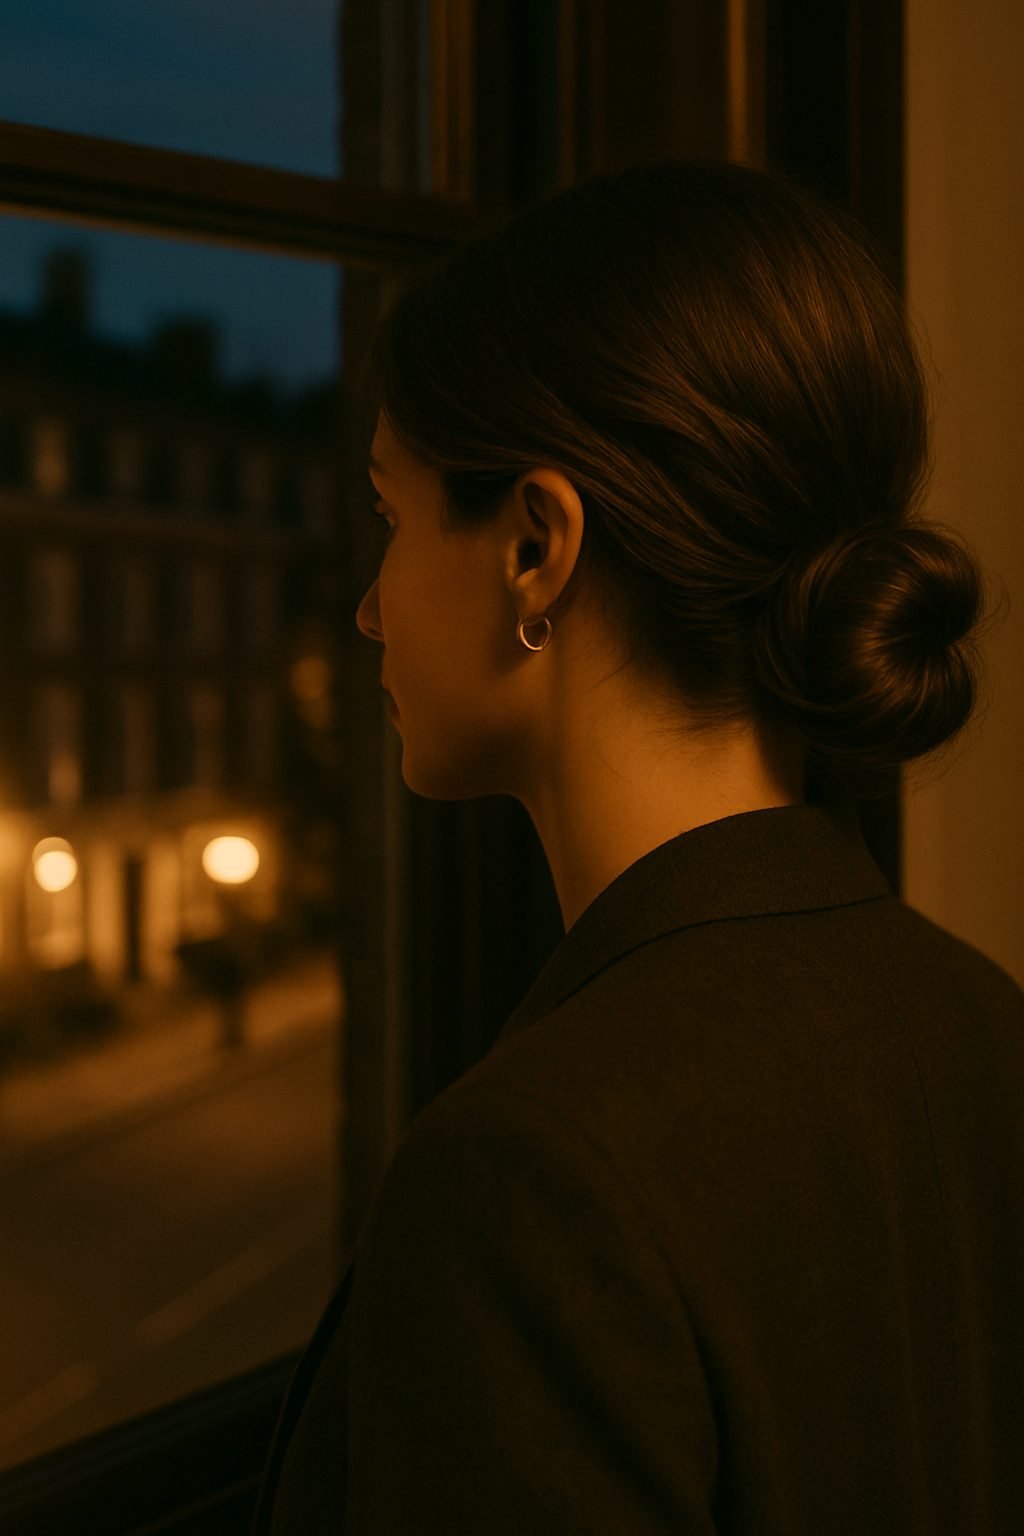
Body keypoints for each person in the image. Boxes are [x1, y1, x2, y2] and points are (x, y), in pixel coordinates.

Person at [253, 156, 1022, 1533]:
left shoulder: (532, 1176)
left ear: (535, 548)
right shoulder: (973, 1013)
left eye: (391, 513)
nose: (368, 608)